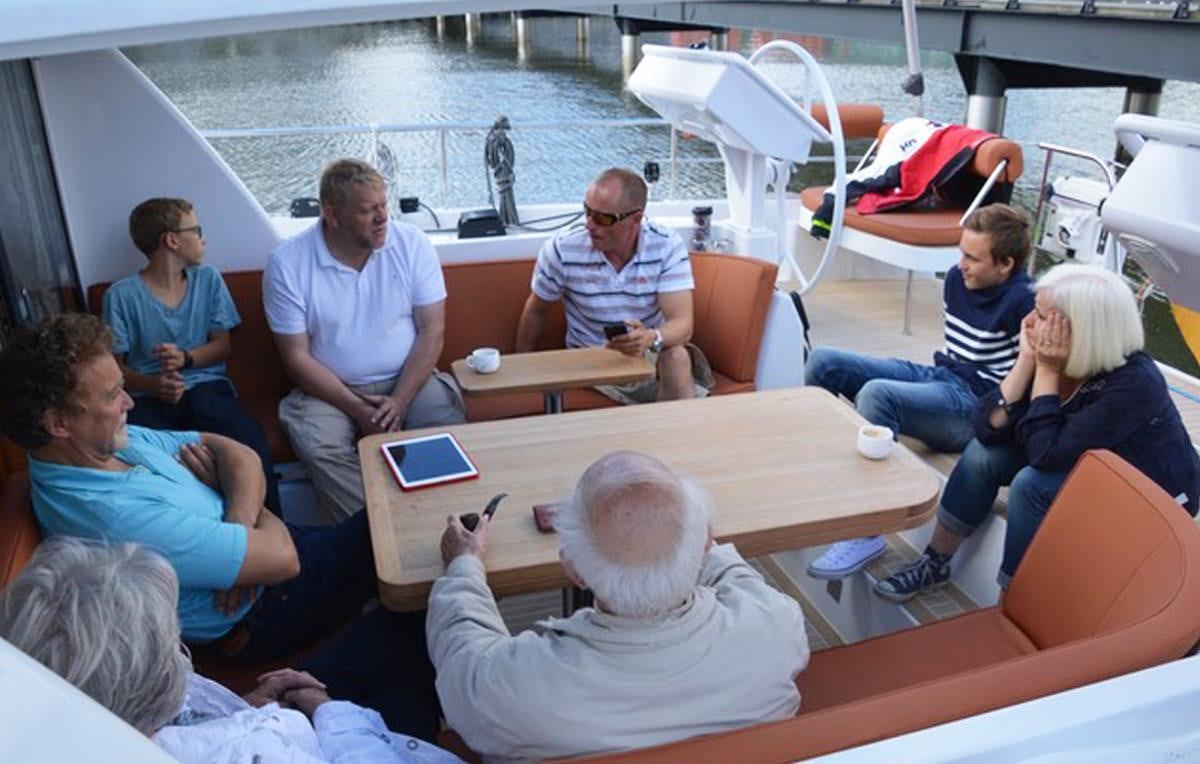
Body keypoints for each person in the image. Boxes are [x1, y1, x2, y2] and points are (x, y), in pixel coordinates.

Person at [0, 314, 437, 735]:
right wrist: (252, 521)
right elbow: (282, 560)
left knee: (407, 575)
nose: (130, 402)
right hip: (266, 612)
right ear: (58, 423)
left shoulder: (111, 445)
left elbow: (238, 453)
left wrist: (239, 524)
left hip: (265, 573)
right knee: (412, 564)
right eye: (113, 394)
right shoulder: (108, 515)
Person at [427, 450, 809, 762]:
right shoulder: (777, 627)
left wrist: (464, 565)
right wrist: (688, 538)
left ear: (573, 571)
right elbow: (739, 581)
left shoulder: (512, 687)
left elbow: (460, 652)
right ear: (706, 540)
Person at [874, 263, 1200, 601]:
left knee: (1033, 485)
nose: (1029, 323)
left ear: (1084, 331)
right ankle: (935, 562)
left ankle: (1015, 599)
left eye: (1043, 317)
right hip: (1081, 459)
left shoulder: (1134, 384)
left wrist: (1044, 369)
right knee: (983, 455)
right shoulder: (1061, 352)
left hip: (1148, 494)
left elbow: (1046, 456)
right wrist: (1025, 363)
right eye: (1035, 310)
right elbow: (985, 427)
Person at [0, 538, 459, 763]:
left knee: (394, 633)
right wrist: (329, 710)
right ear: (151, 680)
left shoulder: (64, 716)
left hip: (265, 721)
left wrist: (242, 709)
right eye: (170, 643)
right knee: (409, 634)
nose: (181, 653)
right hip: (336, 743)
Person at [804, 203, 1036, 580]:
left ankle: (869, 529)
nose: (961, 264)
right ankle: (826, 482)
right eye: (961, 253)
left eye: (972, 258)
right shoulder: (956, 280)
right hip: (939, 375)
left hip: (974, 405)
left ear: (1005, 264)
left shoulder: (1026, 303)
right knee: (824, 361)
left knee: (879, 395)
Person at [264, 158, 465, 522]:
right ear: (333, 215)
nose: (382, 217)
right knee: (318, 444)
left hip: (410, 379)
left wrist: (400, 401)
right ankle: (379, 533)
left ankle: (442, 523)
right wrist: (358, 408)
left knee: (444, 423)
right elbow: (296, 359)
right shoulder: (288, 263)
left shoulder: (412, 244)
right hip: (329, 389)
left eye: (383, 206)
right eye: (367, 210)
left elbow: (432, 330)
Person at [102, 197, 280, 515]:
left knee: (248, 439)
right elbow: (115, 368)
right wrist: (155, 385)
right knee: (143, 458)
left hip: (207, 386)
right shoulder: (120, 295)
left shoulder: (208, 279)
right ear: (171, 240)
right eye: (196, 230)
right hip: (147, 398)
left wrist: (186, 358)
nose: (204, 239)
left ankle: (274, 531)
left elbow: (222, 346)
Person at [514, 167, 714, 404]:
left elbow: (683, 324)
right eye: (587, 211)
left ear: (636, 219)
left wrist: (650, 338)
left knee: (677, 357)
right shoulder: (563, 249)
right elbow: (536, 311)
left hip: (649, 355)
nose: (589, 224)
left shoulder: (666, 246)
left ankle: (676, 437)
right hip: (590, 360)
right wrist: (519, 370)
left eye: (603, 218)